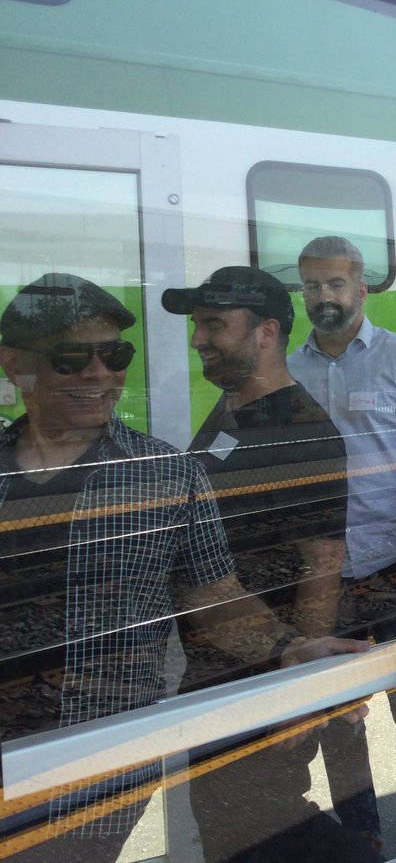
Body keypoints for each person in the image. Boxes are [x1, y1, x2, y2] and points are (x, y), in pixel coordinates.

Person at [0, 274, 363, 863]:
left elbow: (214, 592)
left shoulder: (164, 474)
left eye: (114, 354)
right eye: (72, 358)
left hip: (100, 756)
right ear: (16, 365)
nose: (99, 373)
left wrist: (290, 649)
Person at [162, 266, 382, 863]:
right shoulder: (230, 411)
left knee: (266, 834)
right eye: (196, 325)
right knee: (228, 827)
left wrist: (302, 692)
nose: (198, 339)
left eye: (213, 325)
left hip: (262, 678)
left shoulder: (301, 432)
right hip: (216, 669)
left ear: (264, 331)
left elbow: (322, 566)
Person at [286, 236, 396, 849]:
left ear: (361, 288)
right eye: (311, 286)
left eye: (334, 285)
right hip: (327, 577)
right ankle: (364, 840)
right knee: (338, 720)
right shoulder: (290, 370)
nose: (322, 297)